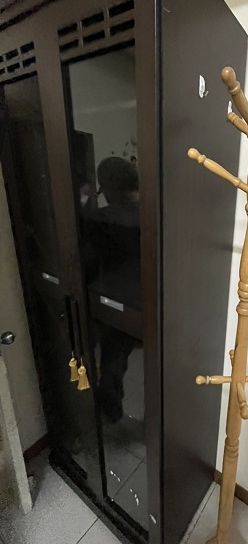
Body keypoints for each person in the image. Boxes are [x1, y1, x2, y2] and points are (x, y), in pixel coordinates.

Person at [82, 156, 141, 422]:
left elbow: (87, 261)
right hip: (144, 301)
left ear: (106, 187)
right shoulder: (154, 214)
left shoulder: (100, 219)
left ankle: (110, 409)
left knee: (111, 360)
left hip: (111, 300)